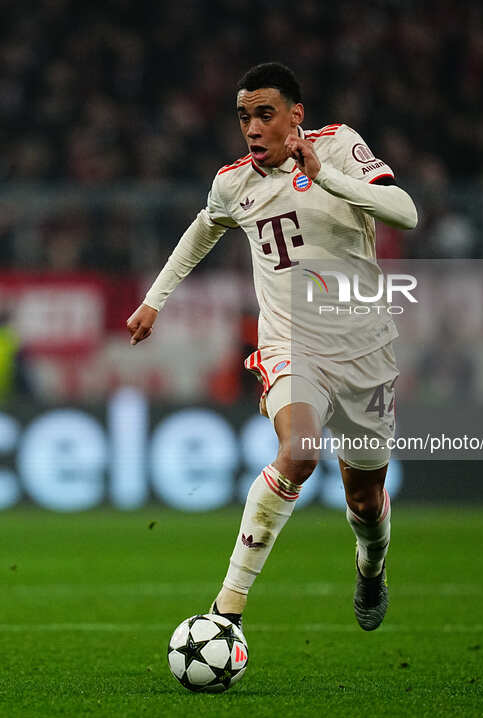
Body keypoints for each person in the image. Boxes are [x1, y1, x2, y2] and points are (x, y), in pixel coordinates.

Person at [127, 63, 417, 633]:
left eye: (265, 114)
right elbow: (203, 229)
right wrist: (154, 300)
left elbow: (405, 213)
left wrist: (326, 178)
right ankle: (227, 609)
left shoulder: (338, 147)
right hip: (291, 343)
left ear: (295, 116)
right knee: (300, 452)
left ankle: (371, 564)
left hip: (365, 348)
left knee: (363, 498)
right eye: (244, 117)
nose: (253, 128)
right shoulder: (234, 182)